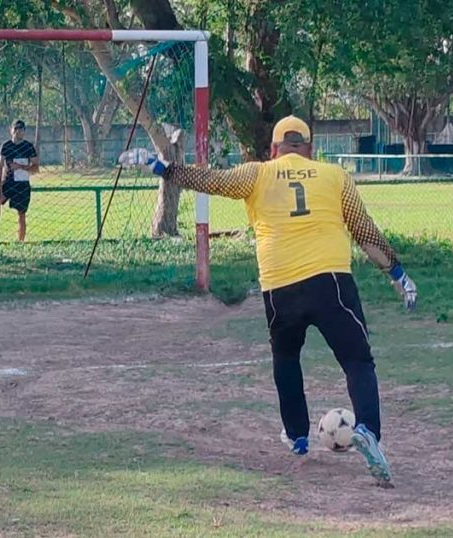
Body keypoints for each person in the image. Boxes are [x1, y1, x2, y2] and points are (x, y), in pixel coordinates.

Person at [140, 116, 417, 488]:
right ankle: (367, 429)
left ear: (273, 150)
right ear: (310, 148)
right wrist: (397, 273)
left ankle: (298, 436)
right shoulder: (334, 177)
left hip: (280, 285)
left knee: (286, 359)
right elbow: (364, 231)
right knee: (357, 360)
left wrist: (161, 167)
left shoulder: (258, 173)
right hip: (331, 281)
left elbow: (211, 181)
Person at [0, 119, 39, 243]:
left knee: (21, 214)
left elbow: (36, 168)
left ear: (24, 131)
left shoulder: (28, 147)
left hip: (22, 185)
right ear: (11, 130)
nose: (18, 131)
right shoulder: (6, 145)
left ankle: (20, 242)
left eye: (21, 129)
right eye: (15, 128)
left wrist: (21, 167)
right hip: (8, 183)